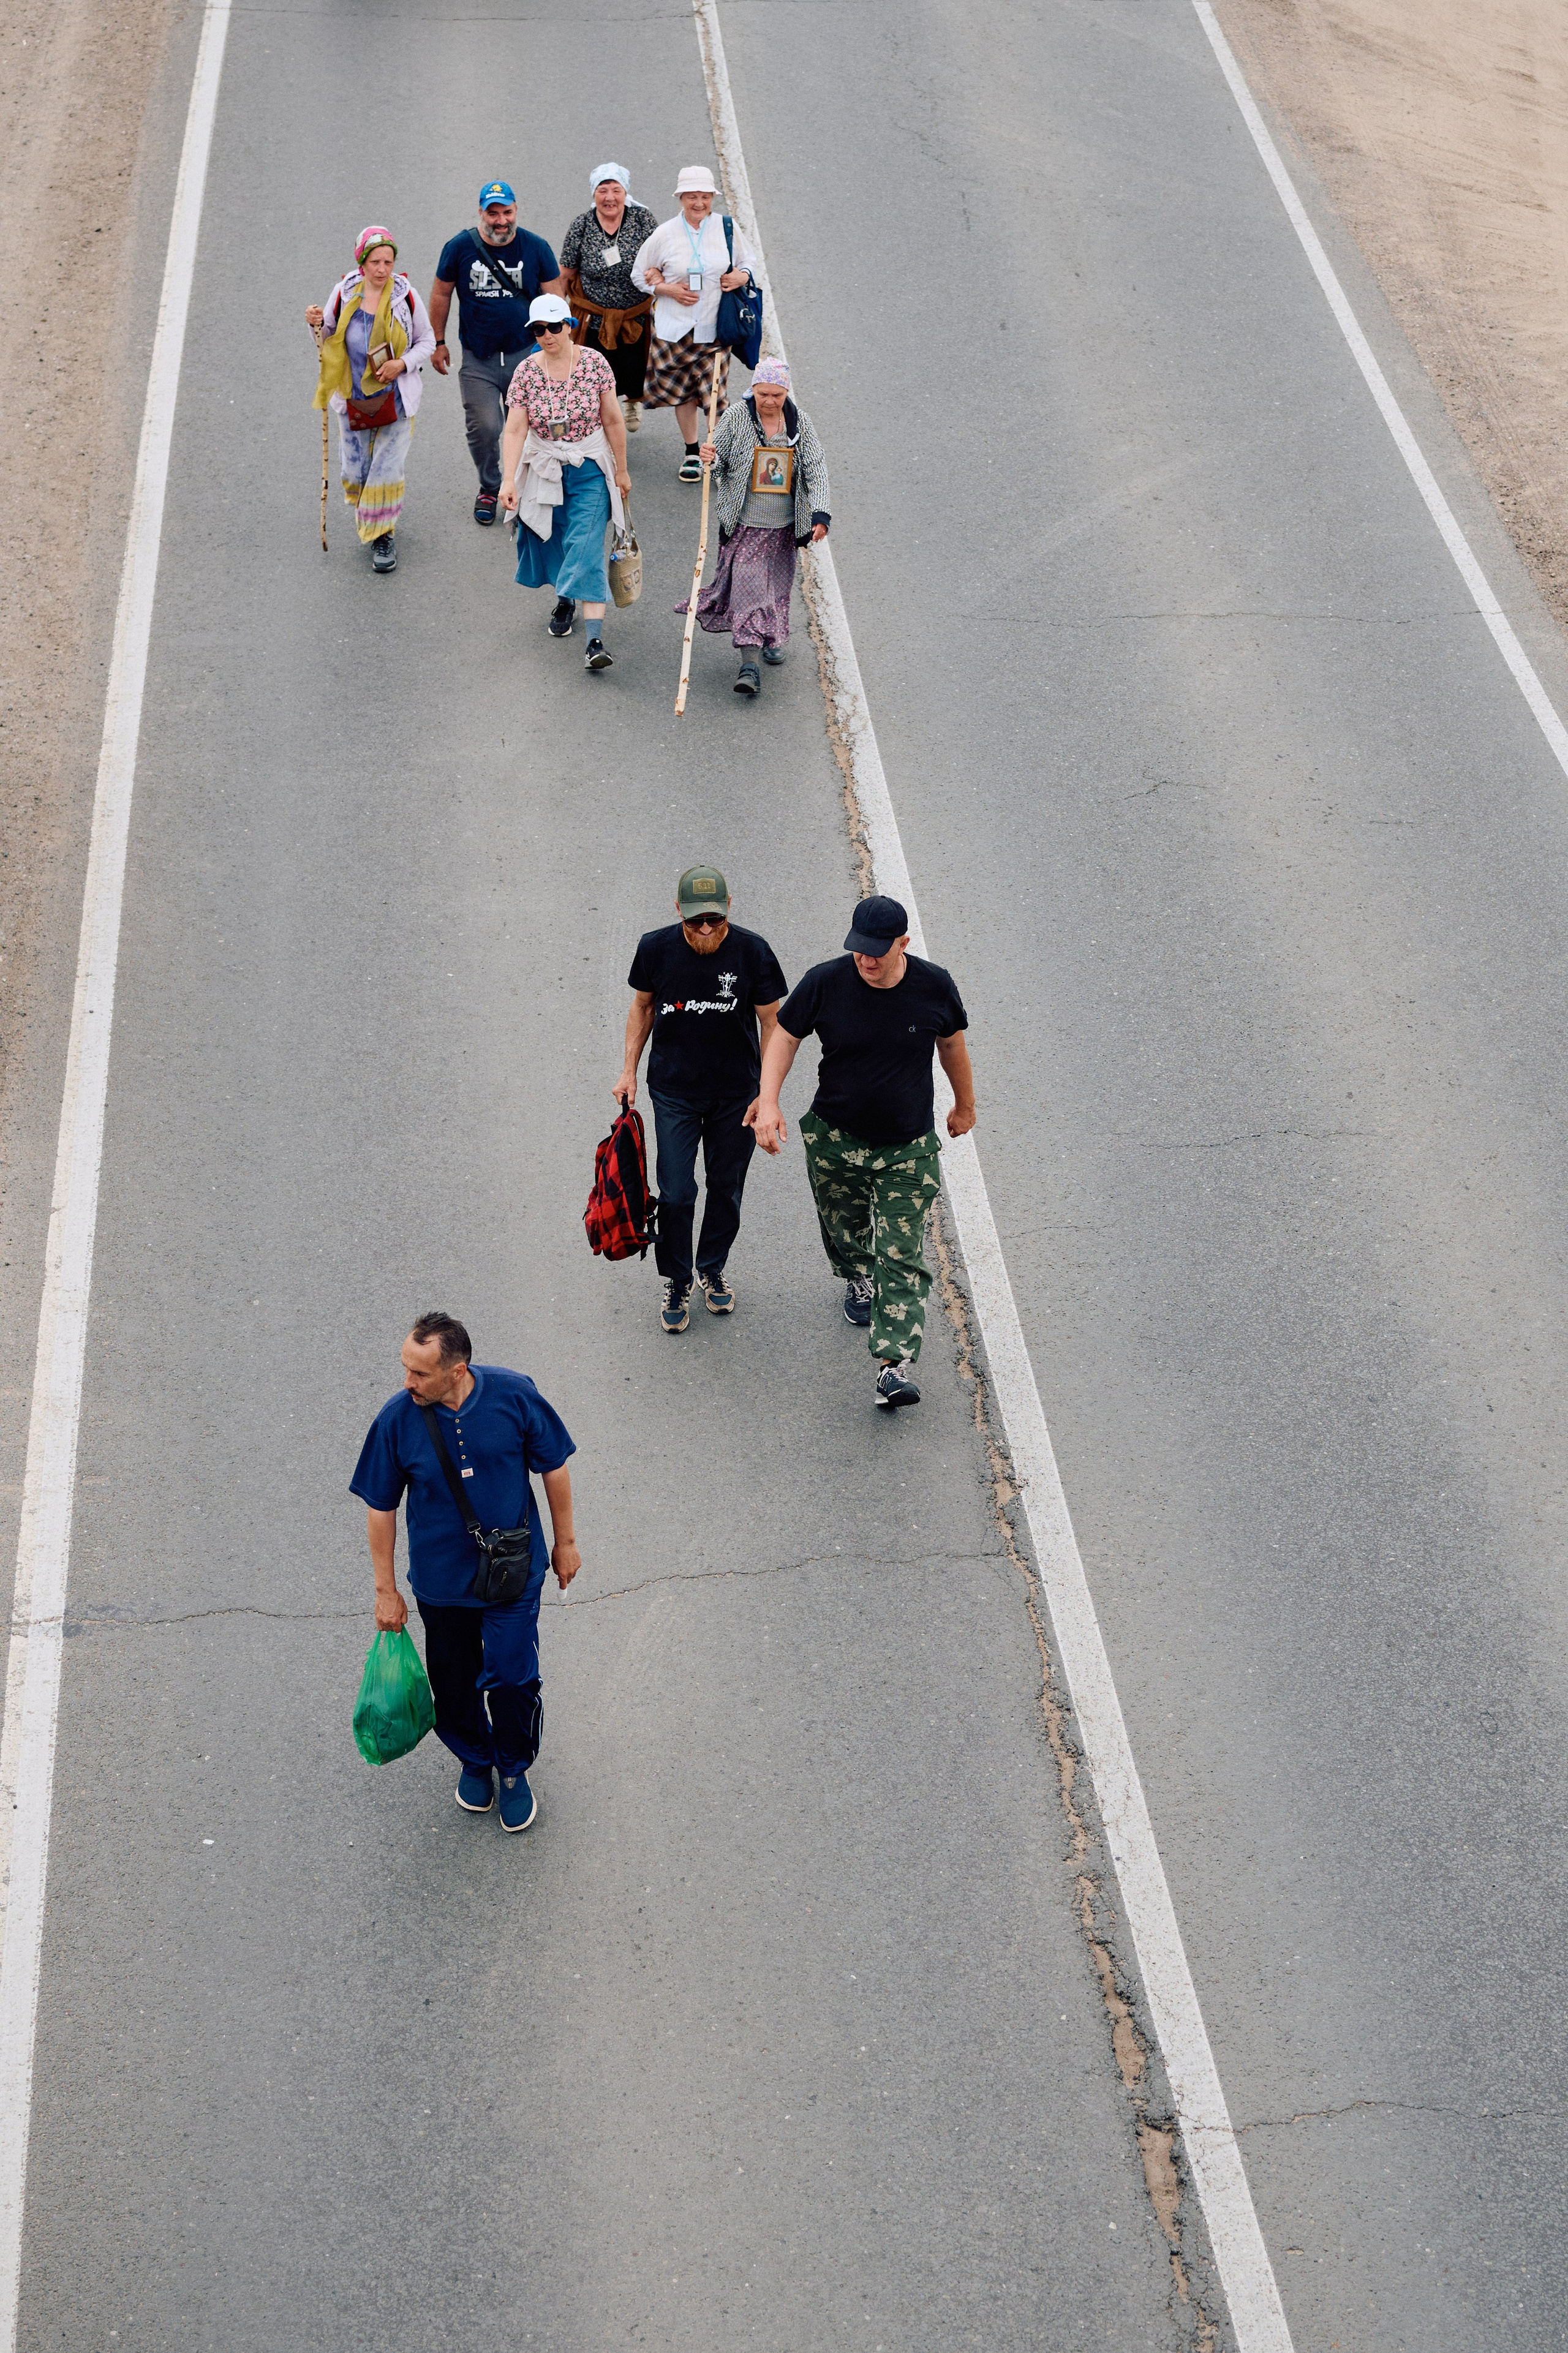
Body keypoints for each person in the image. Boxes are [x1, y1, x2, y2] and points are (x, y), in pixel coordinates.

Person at [350, 1312, 579, 1833]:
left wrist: (566, 1544)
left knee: (514, 1678)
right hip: (442, 1585)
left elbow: (554, 1466)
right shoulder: (397, 1419)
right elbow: (380, 1508)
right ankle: (475, 1760)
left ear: (457, 1371)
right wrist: (385, 1591)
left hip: (512, 1576)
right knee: (453, 1687)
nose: (407, 1382)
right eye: (406, 1369)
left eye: (420, 1374)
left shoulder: (514, 1396)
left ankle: (514, 1768)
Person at [747, 897, 976, 1410]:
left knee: (901, 1253)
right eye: (858, 950)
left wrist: (965, 1104)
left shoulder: (934, 985)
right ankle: (855, 1273)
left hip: (907, 1148)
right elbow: (785, 1035)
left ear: (903, 945)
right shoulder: (826, 981)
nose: (865, 961)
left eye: (877, 952)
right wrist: (768, 1102)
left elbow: (953, 1044)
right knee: (845, 1229)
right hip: (836, 1139)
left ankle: (893, 1366)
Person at [618, 867, 786, 1333]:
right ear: (679, 912)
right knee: (676, 1192)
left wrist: (767, 1095)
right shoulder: (655, 948)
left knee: (725, 1186)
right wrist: (629, 1069)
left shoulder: (753, 951)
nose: (707, 929)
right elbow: (644, 1007)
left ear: (729, 907)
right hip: (674, 1090)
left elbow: (774, 1023)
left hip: (737, 1094)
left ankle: (711, 1267)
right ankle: (676, 1278)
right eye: (696, 922)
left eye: (715, 919)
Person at [682, 356, 829, 696]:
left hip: (784, 528)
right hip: (746, 525)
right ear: (753, 390)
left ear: (786, 392)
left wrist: (821, 515)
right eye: (763, 394)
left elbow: (816, 470)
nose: (769, 401)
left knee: (776, 589)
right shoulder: (736, 417)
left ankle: (772, 637)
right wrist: (711, 458)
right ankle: (749, 664)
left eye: (777, 395)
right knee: (749, 589)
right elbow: (720, 460)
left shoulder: (799, 424)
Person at [500, 294, 631, 674]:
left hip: (588, 465)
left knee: (586, 542)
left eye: (554, 327)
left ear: (569, 327)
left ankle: (594, 640)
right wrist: (509, 479)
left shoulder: (594, 364)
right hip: (544, 466)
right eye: (539, 329)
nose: (547, 335)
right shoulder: (526, 372)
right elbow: (514, 429)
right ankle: (565, 598)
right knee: (552, 537)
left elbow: (613, 421)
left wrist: (621, 471)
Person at [428, 181, 564, 527]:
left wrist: (561, 352)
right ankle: (490, 487)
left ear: (516, 211)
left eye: (507, 212)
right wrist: (438, 341)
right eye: (493, 213)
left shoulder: (536, 247)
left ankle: (520, 489)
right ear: (481, 214)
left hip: (528, 356)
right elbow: (442, 294)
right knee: (485, 428)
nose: (501, 221)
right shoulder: (459, 248)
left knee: (532, 428)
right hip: (479, 358)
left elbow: (556, 302)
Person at [306, 225, 435, 574]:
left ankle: (383, 535)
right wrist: (314, 324)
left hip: (395, 399)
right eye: (375, 261)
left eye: (388, 261)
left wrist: (401, 364)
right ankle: (374, 513)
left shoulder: (405, 295)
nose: (382, 269)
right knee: (355, 470)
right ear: (361, 262)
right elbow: (327, 338)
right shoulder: (344, 292)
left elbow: (427, 340)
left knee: (386, 468)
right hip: (353, 398)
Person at [630, 166, 756, 480]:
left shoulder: (727, 228)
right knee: (684, 394)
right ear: (681, 198)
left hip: (715, 326)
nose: (698, 203)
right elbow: (639, 275)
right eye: (692, 196)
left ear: (712, 198)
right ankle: (691, 452)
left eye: (704, 196)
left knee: (715, 395)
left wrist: (741, 276)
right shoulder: (666, 233)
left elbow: (748, 263)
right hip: (675, 328)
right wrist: (667, 288)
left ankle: (716, 455)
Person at [558, 164, 658, 435]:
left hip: (635, 316)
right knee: (595, 376)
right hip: (593, 318)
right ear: (595, 193)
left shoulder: (642, 220)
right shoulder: (581, 225)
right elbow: (565, 274)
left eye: (616, 190)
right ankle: (604, 431)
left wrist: (657, 272)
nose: (610, 197)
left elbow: (663, 258)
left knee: (635, 371)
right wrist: (556, 316)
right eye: (603, 190)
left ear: (626, 192)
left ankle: (633, 401)